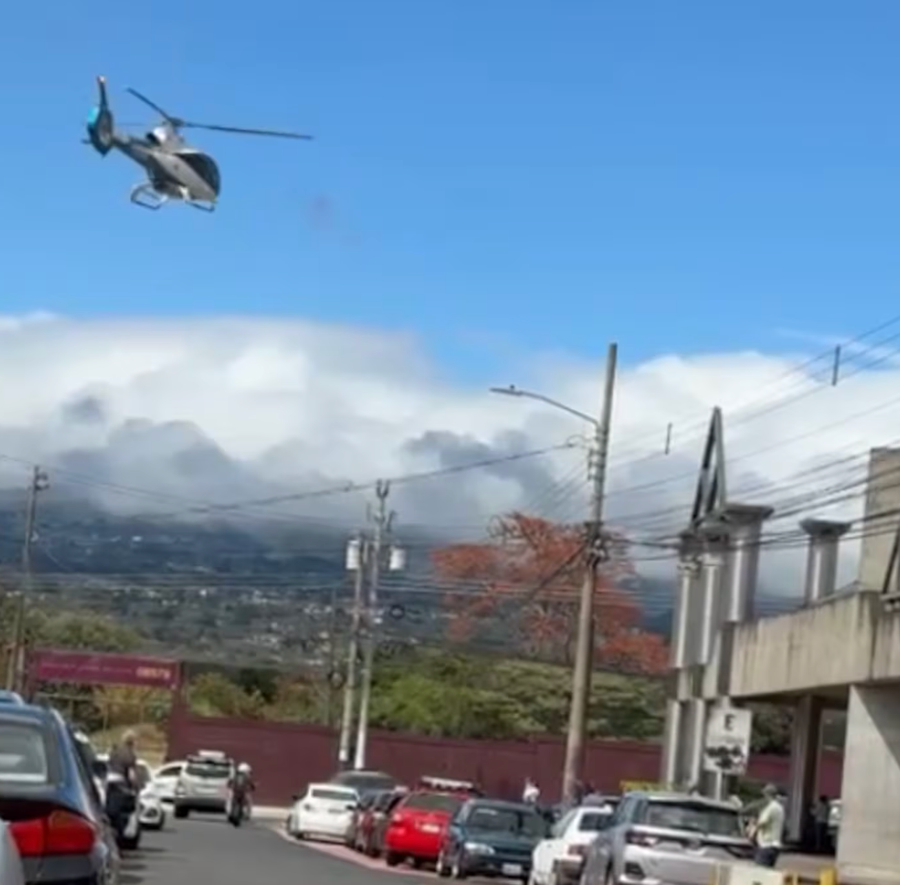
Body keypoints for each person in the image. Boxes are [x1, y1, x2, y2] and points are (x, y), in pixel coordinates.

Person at [752, 784, 785, 868]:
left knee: (760, 873)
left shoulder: (770, 808)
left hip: (766, 845)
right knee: (768, 873)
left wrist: (752, 829)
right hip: (775, 846)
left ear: (767, 795)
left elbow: (761, 823)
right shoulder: (780, 808)